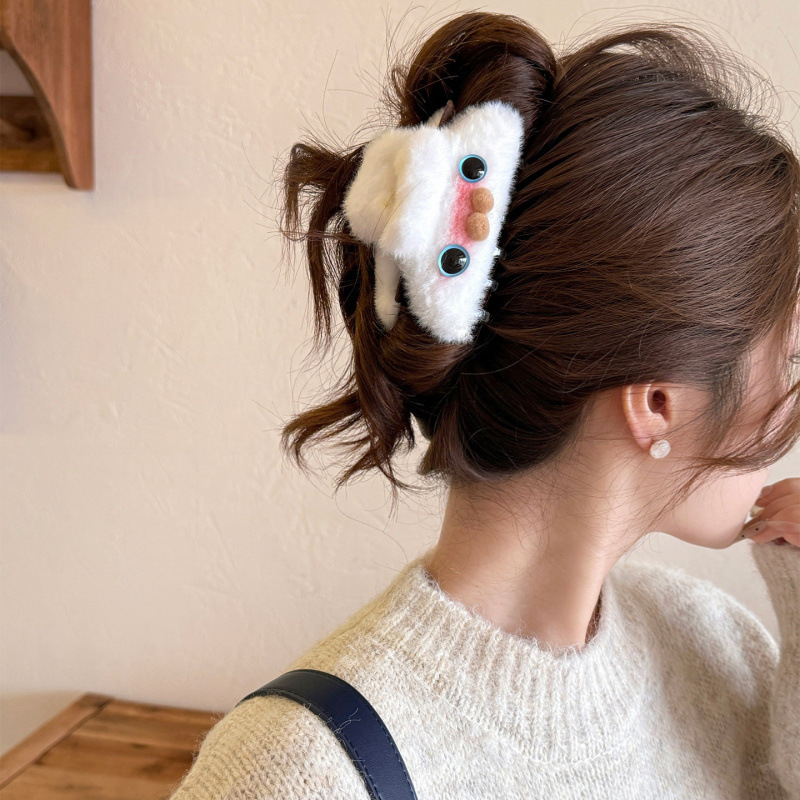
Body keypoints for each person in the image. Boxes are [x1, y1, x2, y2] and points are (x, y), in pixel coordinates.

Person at [168, 10, 800, 799]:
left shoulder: (711, 643)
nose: (790, 407)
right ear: (658, 403)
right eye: (789, 359)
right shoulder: (297, 772)